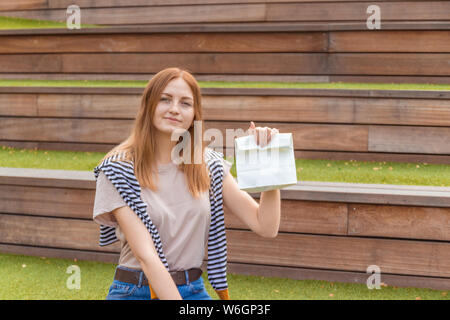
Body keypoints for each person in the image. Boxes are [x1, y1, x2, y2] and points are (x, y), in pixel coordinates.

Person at [92, 67, 281, 300]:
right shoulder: (117, 169)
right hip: (136, 291)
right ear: (148, 105)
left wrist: (272, 163)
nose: (174, 109)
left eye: (185, 103)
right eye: (165, 99)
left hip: (192, 289)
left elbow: (266, 226)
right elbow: (147, 257)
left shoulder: (207, 165)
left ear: (194, 114)